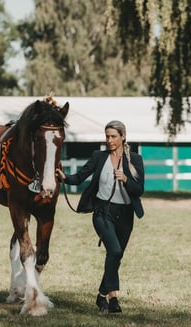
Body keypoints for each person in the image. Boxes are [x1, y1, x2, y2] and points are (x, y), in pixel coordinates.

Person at [56, 120, 145, 313]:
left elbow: (139, 189)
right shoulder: (99, 156)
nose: (110, 140)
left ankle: (102, 296)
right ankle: (113, 299)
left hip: (126, 214)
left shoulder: (135, 160)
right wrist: (64, 177)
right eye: (107, 136)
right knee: (114, 251)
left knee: (117, 256)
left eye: (113, 136)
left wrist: (126, 179)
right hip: (103, 212)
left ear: (123, 137)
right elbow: (80, 177)